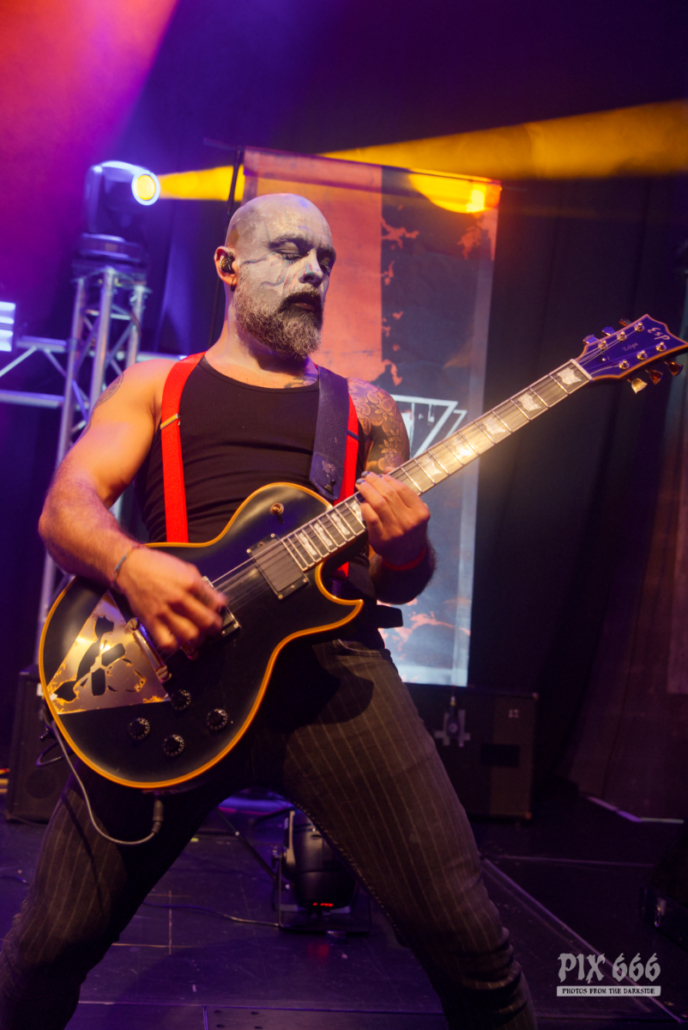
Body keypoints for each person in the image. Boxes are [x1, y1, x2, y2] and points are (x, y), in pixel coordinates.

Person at [0, 193, 536, 1029]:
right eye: (291, 251)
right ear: (227, 264)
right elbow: (65, 510)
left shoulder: (366, 410)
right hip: (174, 676)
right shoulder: (157, 385)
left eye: (326, 260)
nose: (313, 272)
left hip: (332, 679)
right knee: (45, 948)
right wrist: (133, 566)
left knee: (469, 937)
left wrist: (405, 551)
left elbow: (391, 585)